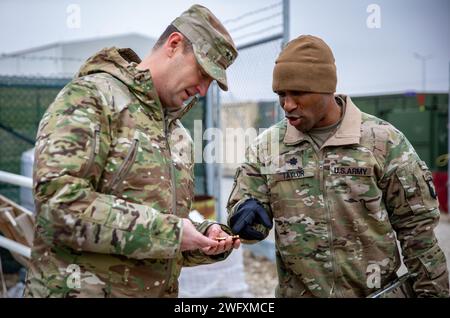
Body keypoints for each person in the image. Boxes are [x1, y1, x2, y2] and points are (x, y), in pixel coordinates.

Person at [25, 4, 240, 298]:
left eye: (210, 82)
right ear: (174, 45)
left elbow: (159, 235)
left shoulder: (177, 135)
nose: (203, 90)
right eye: (202, 73)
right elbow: (58, 206)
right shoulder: (92, 98)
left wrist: (202, 236)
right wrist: (173, 233)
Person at [227, 35, 449, 298]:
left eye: (297, 93)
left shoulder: (382, 141)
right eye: (281, 94)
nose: (287, 105)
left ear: (326, 88)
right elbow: (248, 221)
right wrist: (246, 216)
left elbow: (418, 233)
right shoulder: (267, 147)